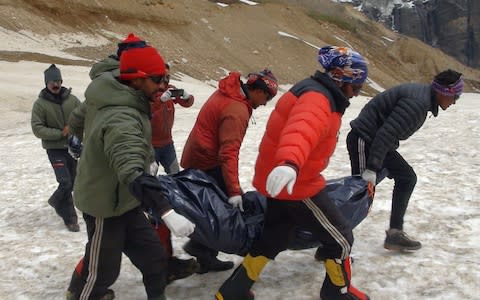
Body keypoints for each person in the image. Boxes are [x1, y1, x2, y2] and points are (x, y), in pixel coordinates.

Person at [216, 46, 370, 300]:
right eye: (356, 88)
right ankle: (337, 294)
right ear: (342, 79)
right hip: (297, 183)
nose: (355, 94)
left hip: (279, 180)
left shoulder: (314, 89)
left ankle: (232, 291)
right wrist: (290, 163)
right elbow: (300, 131)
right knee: (340, 238)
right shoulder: (318, 99)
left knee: (274, 237)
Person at [68, 33, 199, 285]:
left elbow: (79, 117)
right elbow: (128, 162)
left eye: (167, 79)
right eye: (159, 79)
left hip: (125, 196)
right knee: (101, 269)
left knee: (153, 259)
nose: (164, 85)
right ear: (136, 76)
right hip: (105, 200)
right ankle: (78, 292)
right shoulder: (120, 111)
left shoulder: (122, 92)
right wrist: (166, 210)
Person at [345, 69, 464, 251]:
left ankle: (395, 234)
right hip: (365, 139)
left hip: (377, 142)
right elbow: (386, 134)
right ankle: (332, 244)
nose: (455, 102)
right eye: (455, 96)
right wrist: (372, 168)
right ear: (443, 92)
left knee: (407, 178)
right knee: (361, 193)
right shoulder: (417, 103)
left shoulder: (423, 99)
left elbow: (387, 134)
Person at [180, 69, 279, 274]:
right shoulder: (237, 109)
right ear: (257, 91)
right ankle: (202, 250)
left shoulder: (229, 93)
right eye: (267, 97)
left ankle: (202, 249)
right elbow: (229, 153)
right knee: (221, 210)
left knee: (209, 207)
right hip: (208, 162)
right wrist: (234, 190)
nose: (265, 103)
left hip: (198, 155)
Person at [31, 64, 81, 232]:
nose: (55, 84)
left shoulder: (72, 100)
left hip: (73, 148)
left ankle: (56, 200)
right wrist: (61, 133)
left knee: (73, 182)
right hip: (54, 149)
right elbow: (37, 128)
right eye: (52, 81)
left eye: (58, 80)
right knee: (65, 182)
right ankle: (70, 218)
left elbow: (83, 117)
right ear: (46, 83)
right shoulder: (40, 104)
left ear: (61, 81)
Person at [151, 63, 194, 174]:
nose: (165, 79)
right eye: (163, 75)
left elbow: (187, 103)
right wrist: (160, 100)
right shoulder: (149, 91)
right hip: (151, 145)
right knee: (149, 177)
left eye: (167, 76)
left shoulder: (170, 90)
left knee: (176, 174)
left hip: (167, 143)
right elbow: (146, 109)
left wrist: (187, 97)